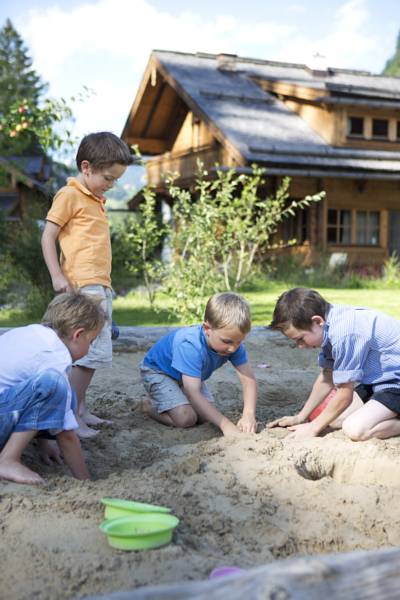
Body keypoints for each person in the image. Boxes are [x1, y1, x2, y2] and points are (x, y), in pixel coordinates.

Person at [41, 132, 135, 438]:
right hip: (83, 286)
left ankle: (80, 409)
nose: (112, 185)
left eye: (116, 179)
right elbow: (48, 236)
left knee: (95, 354)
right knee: (86, 354)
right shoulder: (69, 195)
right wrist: (57, 275)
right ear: (86, 167)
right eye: (108, 178)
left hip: (100, 286)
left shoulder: (96, 200)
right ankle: (69, 416)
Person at [267, 287, 400, 441]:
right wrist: (300, 417)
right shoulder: (328, 325)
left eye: (300, 338)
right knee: (335, 419)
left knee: (354, 429)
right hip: (379, 379)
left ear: (318, 321)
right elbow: (327, 377)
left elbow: (344, 395)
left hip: (395, 382)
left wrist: (313, 428)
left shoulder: (345, 334)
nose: (300, 345)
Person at [0, 291, 105, 485]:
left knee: (66, 396)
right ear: (78, 335)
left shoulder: (30, 333)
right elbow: (67, 437)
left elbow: (36, 398)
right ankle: (7, 460)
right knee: (56, 384)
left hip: (5, 407)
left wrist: (45, 441)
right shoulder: (56, 356)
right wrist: (86, 481)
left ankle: (18, 451)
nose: (90, 348)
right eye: (91, 342)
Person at [140, 292, 257, 436]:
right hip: (158, 372)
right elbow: (192, 393)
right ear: (207, 329)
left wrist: (248, 414)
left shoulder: (233, 344)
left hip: (187, 377)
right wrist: (226, 425)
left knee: (204, 417)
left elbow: (248, 380)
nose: (233, 348)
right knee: (186, 419)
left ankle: (175, 399)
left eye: (239, 342)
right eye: (227, 341)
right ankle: (148, 406)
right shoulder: (191, 346)